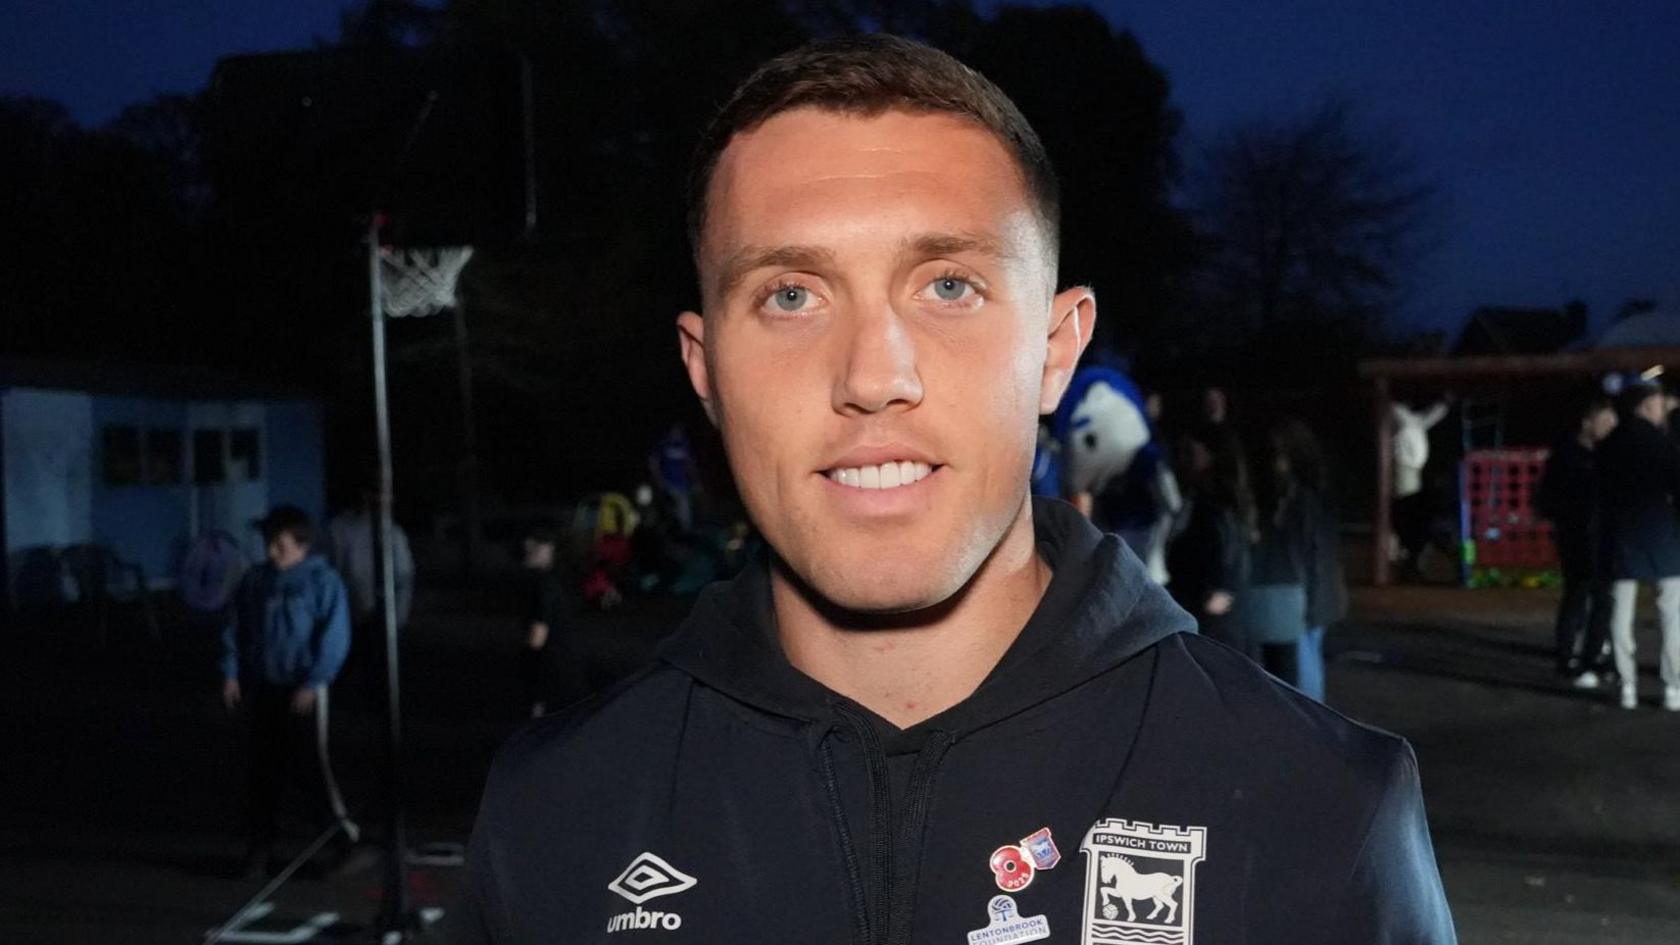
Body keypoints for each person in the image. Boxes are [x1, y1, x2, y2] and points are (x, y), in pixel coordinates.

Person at [451, 36, 1454, 943]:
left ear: (1057, 351)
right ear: (705, 368)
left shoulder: (1321, 809)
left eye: (948, 287)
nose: (874, 373)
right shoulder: (554, 817)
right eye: (791, 296)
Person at [220, 505, 359, 876]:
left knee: (312, 769)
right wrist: (231, 673)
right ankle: (260, 847)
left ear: (302, 544)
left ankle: (340, 840)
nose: (271, 551)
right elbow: (236, 628)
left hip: (303, 690)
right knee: (262, 769)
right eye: (268, 542)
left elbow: (335, 637)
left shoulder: (322, 581)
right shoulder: (255, 580)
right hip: (265, 687)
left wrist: (315, 681)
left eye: (280, 543)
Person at [1593, 381, 1680, 711]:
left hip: (1621, 536)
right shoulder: (1664, 444)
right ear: (1645, 407)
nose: (1663, 410)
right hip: (1663, 536)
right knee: (1671, 614)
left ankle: (1626, 684)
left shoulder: (1609, 445)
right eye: (1659, 404)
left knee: (1620, 612)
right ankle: (1673, 687)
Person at [1537, 396, 1616, 689]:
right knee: (1578, 594)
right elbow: (1552, 500)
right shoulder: (1567, 456)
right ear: (1588, 422)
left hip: (1600, 536)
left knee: (1602, 598)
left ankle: (1594, 654)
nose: (1610, 427)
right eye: (1605, 421)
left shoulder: (1604, 455)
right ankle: (1569, 655)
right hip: (1576, 536)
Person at [321, 481, 415, 706]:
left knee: (380, 667)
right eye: (378, 495)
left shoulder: (392, 532)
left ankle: (377, 703)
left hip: (382, 613)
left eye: (387, 495)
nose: (384, 501)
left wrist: (398, 615)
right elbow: (333, 570)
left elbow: (404, 577)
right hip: (349, 611)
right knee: (346, 661)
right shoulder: (341, 529)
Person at [1274, 419, 1348, 702]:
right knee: (1310, 661)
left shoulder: (1299, 499)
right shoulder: (1318, 491)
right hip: (1321, 592)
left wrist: (1309, 599)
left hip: (1309, 594)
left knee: (1304, 670)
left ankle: (1311, 733)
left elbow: (1310, 553)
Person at [1166, 424, 1253, 653]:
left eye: (1191, 453)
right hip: (1206, 606)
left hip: (1210, 611)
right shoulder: (1204, 497)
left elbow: (1225, 548)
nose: (1183, 460)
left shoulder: (1215, 501)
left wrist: (1218, 590)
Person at [1239, 425, 1312, 685]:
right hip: (1287, 584)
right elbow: (1306, 546)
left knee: (1255, 673)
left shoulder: (1246, 495)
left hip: (1255, 583)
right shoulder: (1299, 496)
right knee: (1286, 672)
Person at [519, 522, 582, 717]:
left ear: (552, 550)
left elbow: (537, 638)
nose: (528, 550)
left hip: (549, 672)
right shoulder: (562, 580)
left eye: (536, 546)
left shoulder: (544, 586)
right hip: (568, 667)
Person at [1390, 398, 1450, 578]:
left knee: (1414, 519)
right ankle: (1402, 560)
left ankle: (1408, 562)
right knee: (1406, 518)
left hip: (1413, 469)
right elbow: (1418, 419)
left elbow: (1428, 418)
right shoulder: (1397, 411)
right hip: (1404, 467)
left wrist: (1444, 404)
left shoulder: (1412, 420)